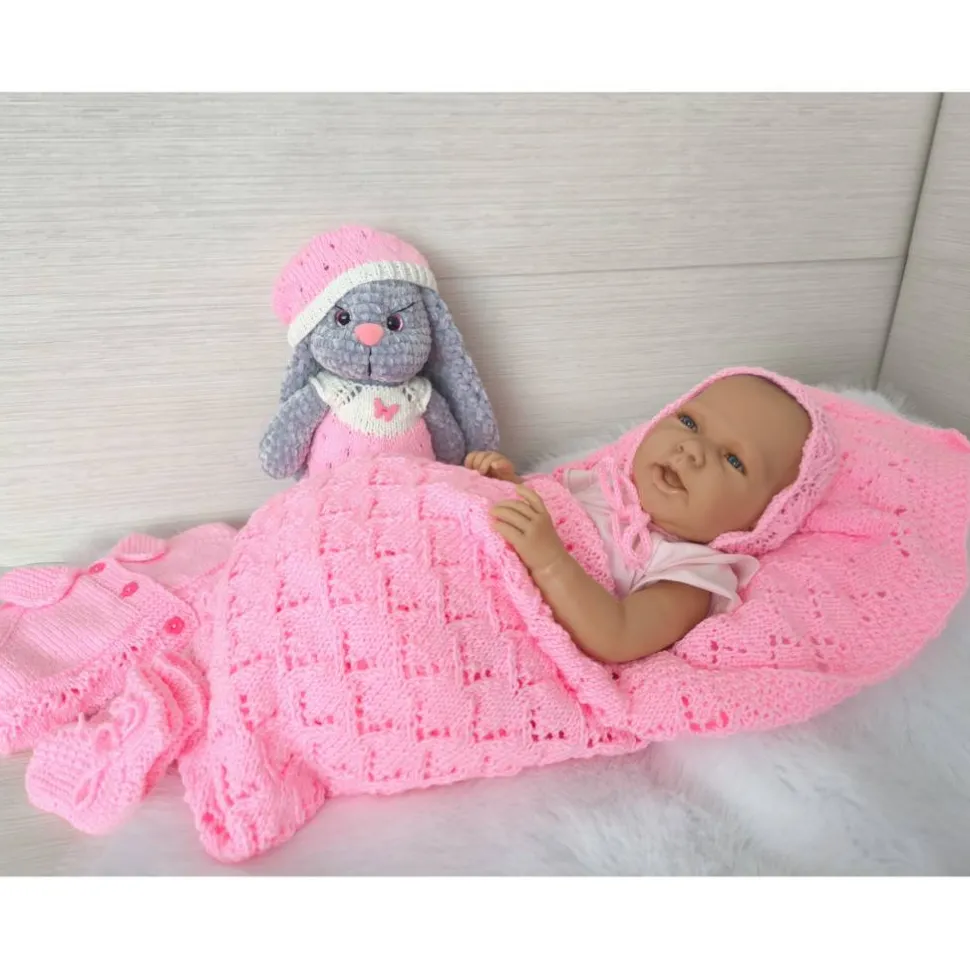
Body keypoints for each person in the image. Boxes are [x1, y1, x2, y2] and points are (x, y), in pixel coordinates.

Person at [465, 374, 811, 664]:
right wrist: (508, 486)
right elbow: (547, 514)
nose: (693, 449)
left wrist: (551, 562)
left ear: (763, 518)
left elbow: (618, 636)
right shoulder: (605, 484)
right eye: (689, 423)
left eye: (733, 460)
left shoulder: (690, 574)